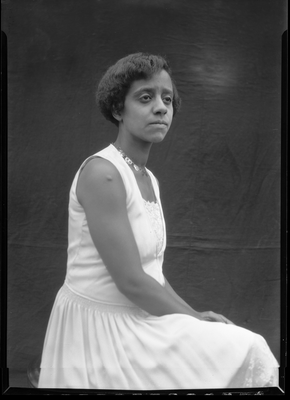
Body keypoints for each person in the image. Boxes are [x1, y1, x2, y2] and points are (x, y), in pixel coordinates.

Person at [38, 52, 279, 390]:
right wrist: (193, 321)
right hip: (101, 328)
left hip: (137, 315)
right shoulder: (102, 173)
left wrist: (195, 314)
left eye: (167, 99)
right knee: (249, 348)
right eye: (145, 97)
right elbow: (132, 281)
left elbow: (152, 272)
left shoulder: (149, 179)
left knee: (233, 343)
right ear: (118, 109)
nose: (162, 108)